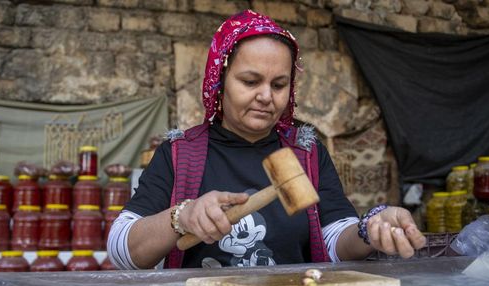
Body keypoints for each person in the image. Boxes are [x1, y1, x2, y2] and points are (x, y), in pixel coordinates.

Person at [108, 10, 426, 269]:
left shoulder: (305, 155)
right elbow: (121, 251)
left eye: (278, 84)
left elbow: (333, 242)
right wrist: (182, 217)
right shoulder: (181, 154)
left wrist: (369, 230)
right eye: (250, 81)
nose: (266, 96)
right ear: (219, 80)